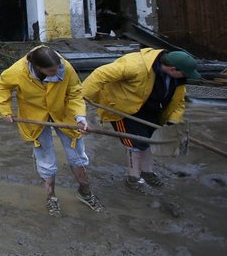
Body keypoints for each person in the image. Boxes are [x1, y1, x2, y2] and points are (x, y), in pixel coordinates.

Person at [0, 45, 103, 216]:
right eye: (51, 70)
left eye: (57, 68)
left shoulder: (65, 67)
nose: (56, 71)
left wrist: (80, 117)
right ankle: (51, 197)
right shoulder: (17, 71)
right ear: (38, 68)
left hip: (63, 112)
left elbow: (75, 92)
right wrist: (6, 111)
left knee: (77, 155)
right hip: (35, 116)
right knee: (45, 158)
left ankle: (85, 192)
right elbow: (2, 87)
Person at [82, 49, 200, 193]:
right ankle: (133, 178)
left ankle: (147, 172)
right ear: (172, 68)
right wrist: (82, 100)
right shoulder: (136, 65)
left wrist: (172, 122)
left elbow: (178, 101)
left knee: (148, 141)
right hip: (124, 110)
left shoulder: (177, 79)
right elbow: (100, 74)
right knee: (134, 144)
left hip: (151, 109)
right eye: (185, 73)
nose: (186, 77)